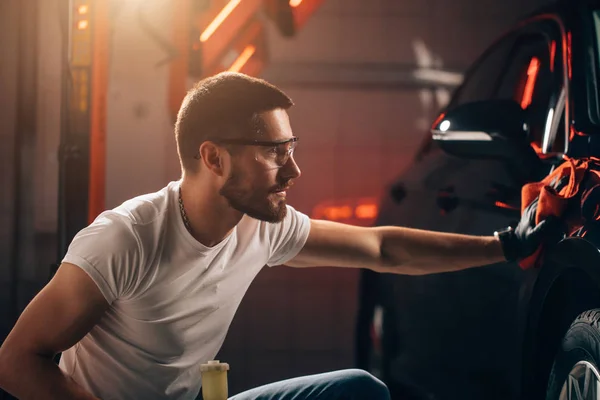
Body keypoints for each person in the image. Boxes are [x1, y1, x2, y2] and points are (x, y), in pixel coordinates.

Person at [0, 72, 562, 400]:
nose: (292, 173)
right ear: (213, 157)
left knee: (358, 391)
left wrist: (507, 245)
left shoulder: (260, 227)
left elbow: (381, 248)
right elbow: (18, 359)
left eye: (291, 152)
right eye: (274, 154)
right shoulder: (126, 238)